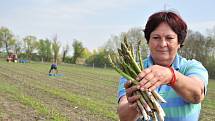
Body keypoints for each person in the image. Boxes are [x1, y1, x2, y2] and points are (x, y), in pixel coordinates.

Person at [117, 11, 208, 121]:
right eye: (156, 37)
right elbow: (124, 117)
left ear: (179, 42)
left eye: (169, 38)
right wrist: (134, 104)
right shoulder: (131, 70)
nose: (162, 44)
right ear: (148, 41)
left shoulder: (192, 66)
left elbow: (197, 95)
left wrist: (172, 76)